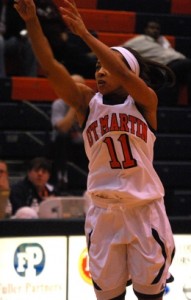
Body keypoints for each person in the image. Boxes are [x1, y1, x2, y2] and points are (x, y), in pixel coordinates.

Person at [14, 1, 175, 299]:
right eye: (97, 66)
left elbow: (126, 78)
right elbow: (50, 66)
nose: (100, 71)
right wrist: (33, 22)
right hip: (103, 213)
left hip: (144, 210)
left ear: (130, 71)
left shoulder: (144, 101)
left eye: (107, 66)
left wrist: (86, 35)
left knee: (149, 295)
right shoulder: (87, 103)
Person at [121, 20, 191, 105]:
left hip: (181, 64)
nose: (155, 30)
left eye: (157, 28)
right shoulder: (139, 40)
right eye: (152, 28)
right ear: (146, 30)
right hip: (168, 66)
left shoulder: (162, 41)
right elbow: (121, 50)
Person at [50, 73, 88, 190]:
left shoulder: (91, 106)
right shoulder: (59, 104)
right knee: (62, 137)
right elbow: (62, 128)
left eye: (79, 87)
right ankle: (62, 179)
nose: (76, 91)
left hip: (84, 146)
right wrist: (74, 106)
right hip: (64, 146)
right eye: (73, 87)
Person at [0, 0, 37, 77]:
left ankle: (30, 80)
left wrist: (24, 34)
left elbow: (21, 27)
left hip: (11, 39)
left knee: (30, 43)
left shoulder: (15, 5)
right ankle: (2, 81)